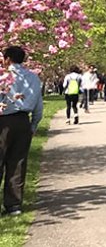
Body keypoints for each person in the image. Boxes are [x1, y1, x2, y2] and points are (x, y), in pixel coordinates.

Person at [0, 46, 44, 216]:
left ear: (8, 59)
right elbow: (38, 105)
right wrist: (33, 126)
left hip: (3, 120)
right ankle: (13, 205)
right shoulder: (33, 78)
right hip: (23, 121)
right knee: (17, 162)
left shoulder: (4, 76)